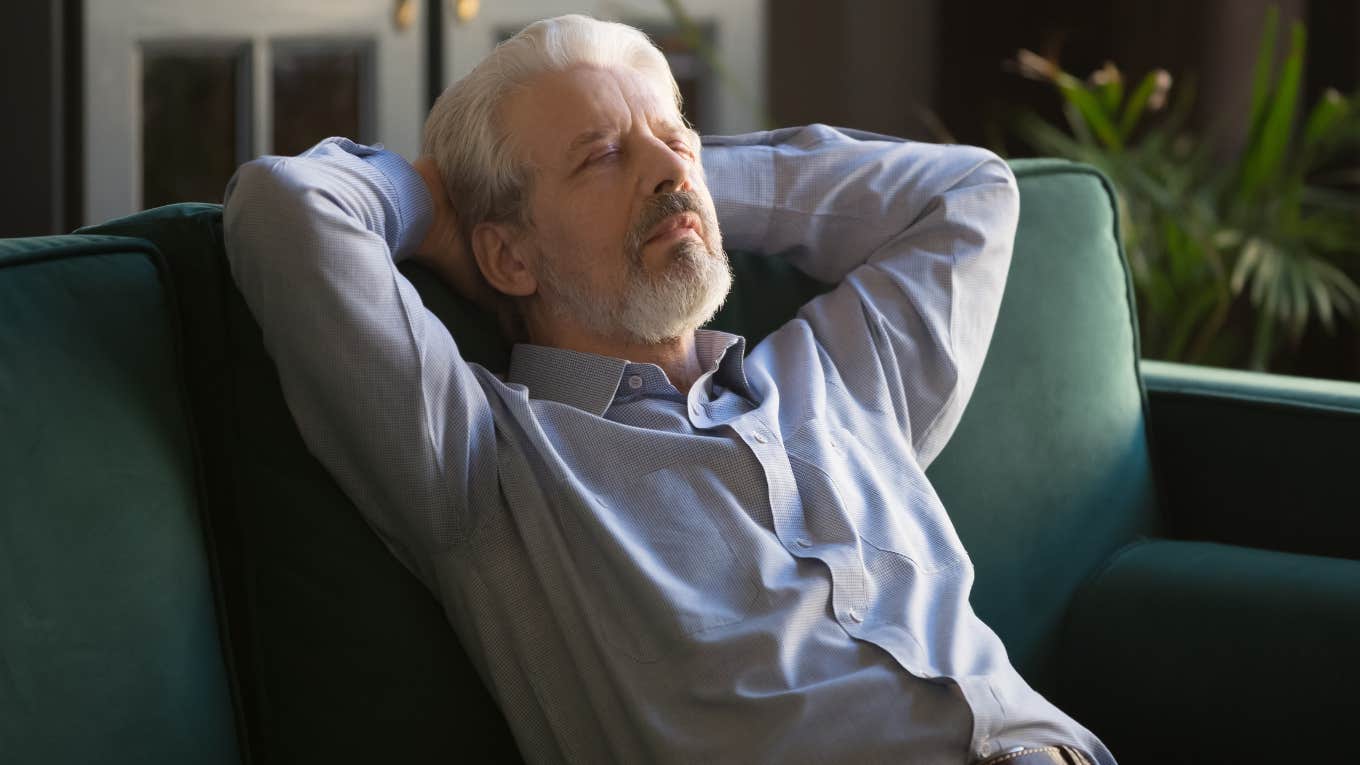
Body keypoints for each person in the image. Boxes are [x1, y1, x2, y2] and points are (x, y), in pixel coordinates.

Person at [222, 13, 1113, 765]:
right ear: (507, 253)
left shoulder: (835, 375)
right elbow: (287, 211)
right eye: (600, 156)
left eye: (676, 134)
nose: (668, 167)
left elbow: (969, 191)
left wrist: (675, 179)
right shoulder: (489, 465)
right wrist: (436, 198)